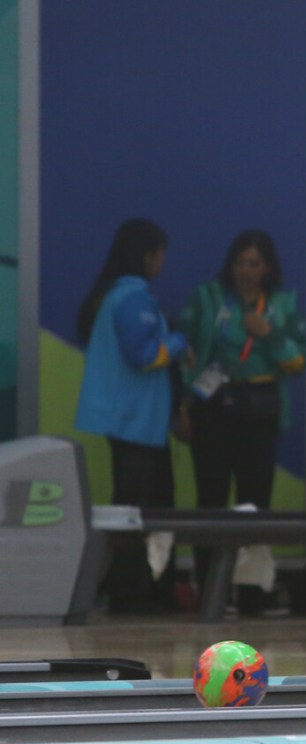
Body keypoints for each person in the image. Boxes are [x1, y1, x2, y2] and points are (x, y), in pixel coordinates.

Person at [178, 229, 306, 608]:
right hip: (214, 402)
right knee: (211, 497)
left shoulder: (282, 304)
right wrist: (183, 405)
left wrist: (269, 335)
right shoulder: (209, 297)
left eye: (254, 263)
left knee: (255, 499)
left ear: (267, 267)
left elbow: (299, 362)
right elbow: (188, 354)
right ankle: (211, 592)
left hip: (260, 404)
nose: (246, 271)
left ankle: (253, 594)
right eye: (239, 262)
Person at [75, 219, 193, 613]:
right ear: (147, 255)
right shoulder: (132, 299)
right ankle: (125, 591)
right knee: (133, 513)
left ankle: (146, 590)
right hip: (134, 424)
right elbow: (144, 357)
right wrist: (178, 340)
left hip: (142, 424)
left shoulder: (117, 296)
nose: (162, 262)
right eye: (160, 254)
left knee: (149, 508)